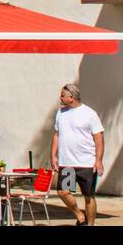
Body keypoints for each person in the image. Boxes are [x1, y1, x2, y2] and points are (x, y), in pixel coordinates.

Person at [51, 83, 105, 226]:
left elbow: (99, 138)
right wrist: (53, 156)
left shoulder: (89, 113)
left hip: (86, 164)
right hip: (67, 163)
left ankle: (91, 224)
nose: (60, 98)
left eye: (62, 95)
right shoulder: (60, 113)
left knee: (88, 196)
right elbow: (56, 135)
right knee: (63, 192)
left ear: (71, 97)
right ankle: (80, 215)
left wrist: (98, 161)